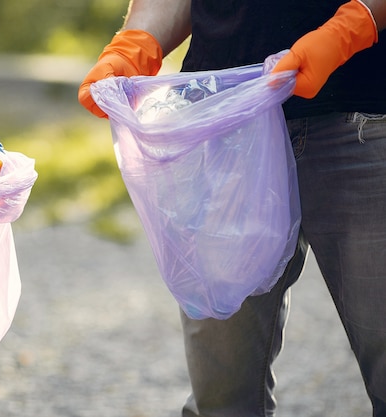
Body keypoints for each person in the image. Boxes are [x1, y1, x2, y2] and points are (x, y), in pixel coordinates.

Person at [79, 0, 386, 415]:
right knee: (222, 395)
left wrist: (354, 24)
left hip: (365, 114)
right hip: (224, 119)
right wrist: (136, 42)